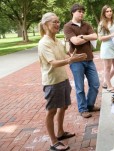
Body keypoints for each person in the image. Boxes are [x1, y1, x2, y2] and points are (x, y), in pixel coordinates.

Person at [38, 12, 87, 151]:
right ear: (46, 24)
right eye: (54, 22)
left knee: (63, 106)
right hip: (52, 82)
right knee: (51, 111)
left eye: (58, 21)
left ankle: (60, 132)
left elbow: (64, 54)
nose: (57, 24)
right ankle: (53, 142)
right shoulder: (44, 43)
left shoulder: (57, 40)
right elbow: (53, 63)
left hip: (62, 79)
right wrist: (70, 60)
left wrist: (72, 55)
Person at [63, 4, 100, 118]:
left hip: (89, 59)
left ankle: (90, 105)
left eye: (83, 11)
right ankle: (83, 109)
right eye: (79, 11)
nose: (82, 13)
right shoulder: (68, 26)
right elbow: (75, 42)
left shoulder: (86, 24)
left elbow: (95, 36)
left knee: (95, 84)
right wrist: (87, 37)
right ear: (73, 13)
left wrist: (83, 37)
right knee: (80, 87)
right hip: (76, 61)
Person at [98, 5, 114, 92]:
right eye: (107, 11)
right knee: (107, 67)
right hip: (107, 47)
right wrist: (112, 35)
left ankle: (106, 82)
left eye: (110, 11)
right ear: (104, 13)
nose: (109, 13)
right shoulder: (102, 24)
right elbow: (100, 38)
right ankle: (109, 86)